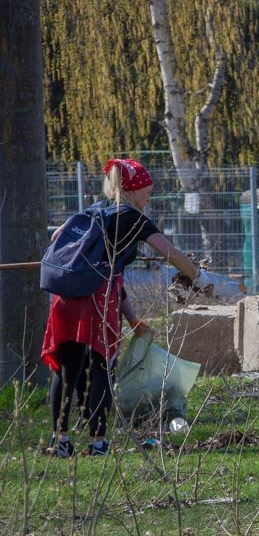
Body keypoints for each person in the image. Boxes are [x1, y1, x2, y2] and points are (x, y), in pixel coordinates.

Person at [41, 158, 201, 457]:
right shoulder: (133, 218)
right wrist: (199, 276)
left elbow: (57, 238)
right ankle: (98, 443)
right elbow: (170, 253)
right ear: (134, 188)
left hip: (65, 298)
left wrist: (132, 318)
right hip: (96, 302)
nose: (149, 197)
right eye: (147, 191)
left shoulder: (94, 210)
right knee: (100, 368)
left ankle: (60, 441)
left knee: (67, 370)